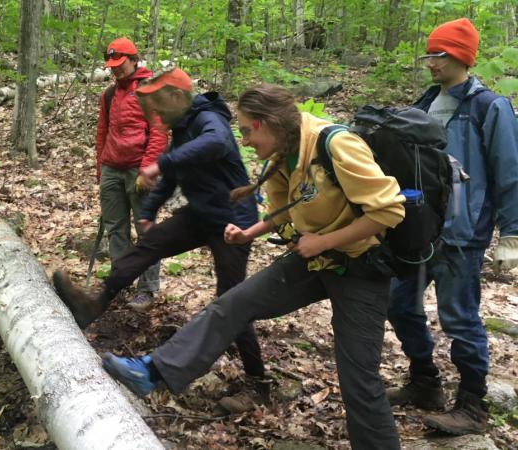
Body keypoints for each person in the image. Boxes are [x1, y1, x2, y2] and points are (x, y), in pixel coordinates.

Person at [101, 84, 406, 449]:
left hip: (360, 269)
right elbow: (287, 211)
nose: (243, 141)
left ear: (268, 123)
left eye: (246, 130)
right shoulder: (281, 156)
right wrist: (250, 232)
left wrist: (322, 241)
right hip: (313, 261)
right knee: (232, 304)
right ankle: (153, 372)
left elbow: (389, 211)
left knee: (359, 381)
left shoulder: (335, 144)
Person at [54, 68, 270, 410]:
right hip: (200, 215)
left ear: (176, 99)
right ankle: (95, 302)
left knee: (232, 302)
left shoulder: (209, 121)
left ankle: (258, 384)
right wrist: (149, 210)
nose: (155, 115)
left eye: (158, 106)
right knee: (149, 246)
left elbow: (212, 146)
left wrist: (160, 163)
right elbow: (172, 175)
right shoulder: (182, 129)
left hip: (234, 222)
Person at [386, 18, 518, 435]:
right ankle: (425, 382)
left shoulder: (488, 106)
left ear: (460, 56)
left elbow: (509, 171)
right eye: (428, 54)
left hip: (462, 233)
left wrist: (512, 233)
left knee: (459, 317)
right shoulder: (424, 102)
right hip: (419, 229)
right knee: (399, 304)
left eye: (438, 55)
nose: (430, 63)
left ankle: (473, 405)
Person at [96, 37, 166, 310]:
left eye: (119, 63)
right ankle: (120, 283)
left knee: (145, 230)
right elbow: (102, 132)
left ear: (134, 60)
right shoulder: (109, 95)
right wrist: (100, 169)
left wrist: (147, 170)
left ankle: (146, 290)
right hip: (112, 168)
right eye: (111, 65)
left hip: (139, 169)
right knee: (116, 230)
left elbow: (159, 134)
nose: (115, 69)